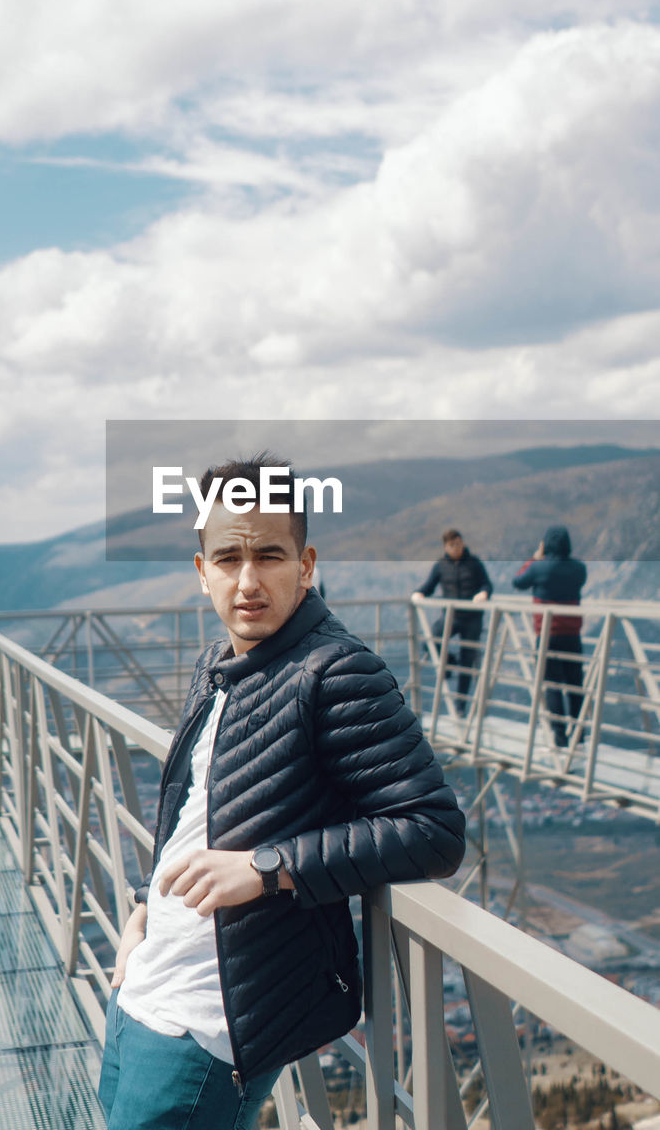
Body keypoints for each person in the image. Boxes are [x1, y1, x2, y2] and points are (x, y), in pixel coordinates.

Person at [97, 455, 466, 1130]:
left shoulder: (337, 671)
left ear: (306, 563)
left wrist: (268, 868)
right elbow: (196, 811)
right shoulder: (220, 665)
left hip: (207, 1025)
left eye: (269, 555)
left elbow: (432, 831)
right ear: (201, 569)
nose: (247, 581)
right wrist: (143, 915)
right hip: (144, 986)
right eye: (227, 558)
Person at [512, 526, 587, 748]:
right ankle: (580, 733)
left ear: (546, 544)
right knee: (575, 685)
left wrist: (534, 559)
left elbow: (519, 582)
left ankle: (559, 734)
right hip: (572, 634)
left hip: (547, 635)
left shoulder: (538, 567)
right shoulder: (579, 568)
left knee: (553, 684)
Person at [411, 529, 493, 716]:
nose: (457, 548)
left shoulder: (474, 564)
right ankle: (448, 662)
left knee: (468, 660)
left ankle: (460, 705)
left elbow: (487, 584)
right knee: (431, 641)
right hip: (451, 617)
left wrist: (484, 593)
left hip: (472, 618)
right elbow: (429, 586)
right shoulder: (441, 566)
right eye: (453, 545)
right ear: (446, 547)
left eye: (459, 543)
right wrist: (419, 593)